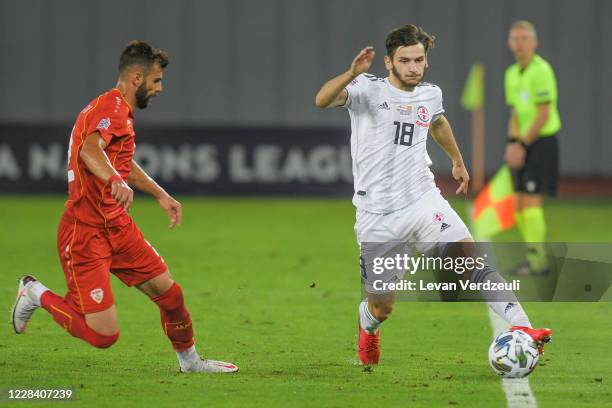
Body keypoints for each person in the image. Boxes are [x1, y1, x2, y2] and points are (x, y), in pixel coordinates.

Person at [315, 24, 552, 366]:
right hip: (377, 216)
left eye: (419, 59)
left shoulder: (430, 94)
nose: (413, 66)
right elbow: (321, 100)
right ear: (388, 62)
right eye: (405, 60)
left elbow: (438, 123)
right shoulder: (366, 89)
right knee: (383, 305)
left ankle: (524, 327)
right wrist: (352, 72)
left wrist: (456, 160)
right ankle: (368, 324)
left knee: (472, 261)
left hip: (423, 200)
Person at [11, 40, 238, 373]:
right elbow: (91, 150)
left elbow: (122, 163)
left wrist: (160, 193)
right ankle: (34, 293)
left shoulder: (118, 112)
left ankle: (191, 363)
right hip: (85, 232)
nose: (159, 88)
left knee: (170, 294)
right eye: (156, 80)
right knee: (103, 336)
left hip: (117, 226)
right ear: (136, 78)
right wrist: (115, 181)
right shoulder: (111, 108)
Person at [504, 20, 561, 275]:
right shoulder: (511, 74)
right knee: (517, 204)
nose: (520, 43)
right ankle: (534, 257)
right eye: (516, 38)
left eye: (525, 38)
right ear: (509, 43)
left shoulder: (542, 70)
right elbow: (516, 113)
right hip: (523, 145)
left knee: (531, 203)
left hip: (542, 144)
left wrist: (523, 144)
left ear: (534, 43)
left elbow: (543, 113)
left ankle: (539, 263)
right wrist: (512, 144)